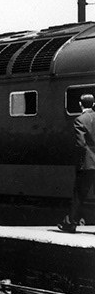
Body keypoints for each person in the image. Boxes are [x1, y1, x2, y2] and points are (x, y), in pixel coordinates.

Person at [60, 93, 95, 233]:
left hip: (87, 164)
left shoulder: (79, 120)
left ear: (80, 104)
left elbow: (80, 144)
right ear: (93, 104)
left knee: (79, 194)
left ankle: (70, 223)